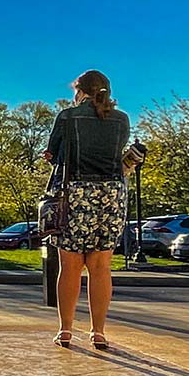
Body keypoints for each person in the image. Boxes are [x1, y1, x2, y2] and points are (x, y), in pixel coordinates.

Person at [43, 69, 139, 350]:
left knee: (70, 267)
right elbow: (117, 157)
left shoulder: (67, 116)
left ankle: (66, 330)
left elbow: (54, 154)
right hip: (111, 194)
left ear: (81, 91)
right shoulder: (121, 119)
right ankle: (98, 332)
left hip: (76, 193)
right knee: (101, 267)